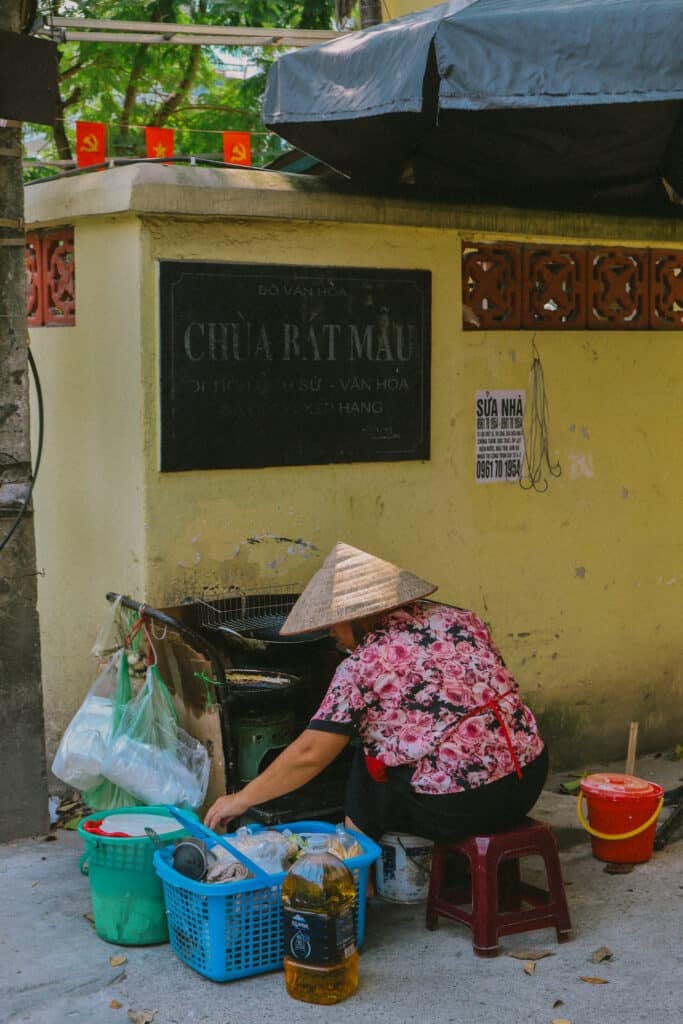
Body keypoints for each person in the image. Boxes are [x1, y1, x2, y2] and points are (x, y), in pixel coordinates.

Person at [205, 542, 548, 844]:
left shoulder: (362, 665)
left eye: (334, 624)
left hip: (461, 806)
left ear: (360, 617)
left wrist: (242, 798)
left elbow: (310, 753)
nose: (332, 634)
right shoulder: (459, 619)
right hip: (528, 778)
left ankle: (358, 880)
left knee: (368, 762)